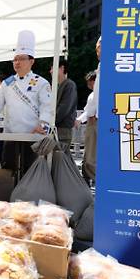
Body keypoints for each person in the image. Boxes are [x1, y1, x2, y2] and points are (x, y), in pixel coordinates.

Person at [0, 31, 53, 174]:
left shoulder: (41, 82)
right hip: (10, 134)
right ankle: (8, 196)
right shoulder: (7, 83)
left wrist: (42, 124)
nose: (17, 62)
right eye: (15, 59)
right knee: (8, 170)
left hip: (32, 135)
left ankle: (29, 196)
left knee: (30, 170)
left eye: (21, 59)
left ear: (31, 61)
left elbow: (47, 107)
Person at [78, 36, 101, 185]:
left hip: (97, 120)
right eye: (97, 48)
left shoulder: (106, 67)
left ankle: (96, 180)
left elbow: (95, 102)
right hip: (94, 119)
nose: (97, 51)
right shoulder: (102, 67)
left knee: (92, 157)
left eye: (99, 47)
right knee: (90, 155)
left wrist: (82, 119)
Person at [52, 59, 78, 153]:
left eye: (53, 67)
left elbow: (64, 108)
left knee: (61, 160)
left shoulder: (69, 85)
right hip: (56, 129)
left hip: (62, 130)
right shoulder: (58, 86)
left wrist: (51, 121)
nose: (51, 71)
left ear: (62, 68)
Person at [76, 71, 97, 186]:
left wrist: (79, 120)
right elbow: (88, 112)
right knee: (88, 153)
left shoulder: (97, 94)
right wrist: (79, 120)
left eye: (90, 82)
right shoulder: (93, 94)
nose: (88, 85)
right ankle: (87, 176)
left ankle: (91, 176)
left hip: (94, 123)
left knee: (90, 154)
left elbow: (90, 112)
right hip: (91, 122)